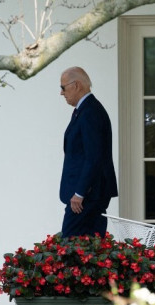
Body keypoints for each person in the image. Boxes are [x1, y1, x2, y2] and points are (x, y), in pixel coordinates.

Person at [58, 67, 118, 238]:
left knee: (71, 245)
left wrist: (79, 193)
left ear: (76, 85)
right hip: (87, 195)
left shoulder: (90, 112)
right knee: (87, 249)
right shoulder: (85, 110)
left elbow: (93, 157)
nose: (61, 93)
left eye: (63, 87)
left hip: (87, 197)